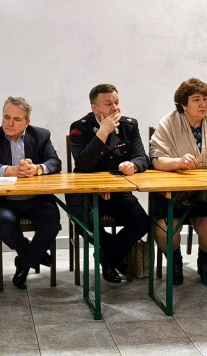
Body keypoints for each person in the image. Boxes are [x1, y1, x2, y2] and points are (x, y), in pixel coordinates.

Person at [149, 78, 207, 286]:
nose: (203, 104)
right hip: (173, 195)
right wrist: (178, 162)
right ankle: (174, 262)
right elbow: (155, 159)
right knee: (165, 230)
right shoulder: (168, 122)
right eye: (196, 99)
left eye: (206, 99)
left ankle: (205, 264)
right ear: (183, 104)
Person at [67, 84, 150, 284]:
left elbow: (142, 157)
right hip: (86, 192)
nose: (115, 108)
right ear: (95, 108)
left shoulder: (129, 126)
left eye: (117, 102)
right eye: (108, 104)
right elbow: (83, 164)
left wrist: (134, 165)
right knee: (83, 224)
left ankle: (108, 256)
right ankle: (115, 255)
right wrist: (102, 132)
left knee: (142, 222)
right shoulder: (79, 127)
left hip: (116, 190)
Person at [0, 97, 62, 289]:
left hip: (37, 199)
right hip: (4, 201)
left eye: (16, 119)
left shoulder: (41, 135)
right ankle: (34, 254)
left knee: (52, 223)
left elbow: (55, 162)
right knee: (5, 224)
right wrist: (9, 170)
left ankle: (25, 262)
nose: (10, 123)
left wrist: (37, 169)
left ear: (27, 122)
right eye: (6, 117)